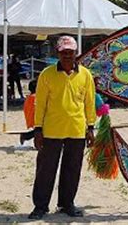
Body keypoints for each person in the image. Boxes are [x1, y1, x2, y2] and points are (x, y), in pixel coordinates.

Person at [29, 36, 96, 220]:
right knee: (45, 170)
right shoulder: (47, 74)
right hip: (51, 130)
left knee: (72, 169)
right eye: (63, 52)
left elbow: (89, 103)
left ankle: (67, 204)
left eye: (70, 52)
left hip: (76, 129)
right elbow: (40, 104)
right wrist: (37, 129)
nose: (67, 55)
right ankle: (40, 206)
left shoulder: (85, 75)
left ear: (76, 53)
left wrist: (91, 127)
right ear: (57, 53)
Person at [19, 79, 37, 145]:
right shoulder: (35, 97)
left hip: (31, 122)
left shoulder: (29, 98)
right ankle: (26, 136)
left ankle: (26, 136)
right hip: (35, 121)